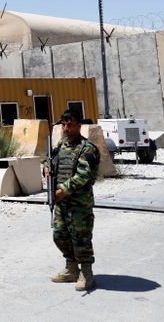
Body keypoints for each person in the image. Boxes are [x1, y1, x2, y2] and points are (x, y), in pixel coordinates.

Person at [49, 108, 100, 291]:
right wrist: (47, 169)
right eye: (63, 124)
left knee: (81, 239)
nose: (65, 128)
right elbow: (52, 163)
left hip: (80, 204)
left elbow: (83, 176)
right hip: (62, 203)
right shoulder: (60, 147)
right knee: (59, 236)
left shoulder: (88, 149)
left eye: (70, 125)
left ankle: (87, 274)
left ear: (79, 125)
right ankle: (71, 269)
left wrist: (64, 189)